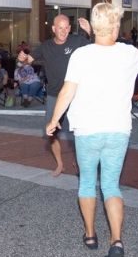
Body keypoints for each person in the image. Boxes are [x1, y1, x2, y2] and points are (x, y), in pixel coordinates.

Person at [45, 2, 138, 257]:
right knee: (111, 185)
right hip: (118, 129)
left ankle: (90, 235)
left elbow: (67, 91)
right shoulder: (128, 53)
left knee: (87, 182)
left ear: (94, 26)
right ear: (116, 26)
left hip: (87, 129)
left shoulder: (82, 55)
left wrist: (54, 120)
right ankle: (117, 241)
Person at [21, 14, 91, 176]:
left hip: (75, 96)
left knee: (80, 133)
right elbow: (28, 61)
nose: (64, 31)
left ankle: (79, 162)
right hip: (54, 96)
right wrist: (22, 58)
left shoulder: (77, 41)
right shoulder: (45, 47)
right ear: (53, 29)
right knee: (50, 133)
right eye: (60, 27)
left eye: (67, 27)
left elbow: (96, 49)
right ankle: (60, 164)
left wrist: (90, 31)